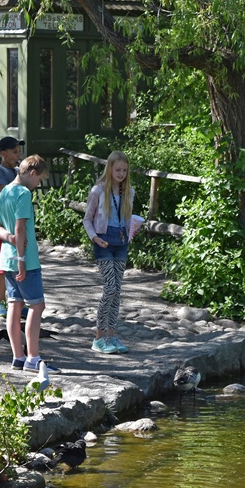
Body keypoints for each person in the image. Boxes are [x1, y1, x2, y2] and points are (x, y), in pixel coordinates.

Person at [0, 154, 60, 373]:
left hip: (7, 259)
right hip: (25, 261)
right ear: (32, 172)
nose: (37, 184)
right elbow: (20, 228)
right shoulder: (22, 193)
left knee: (14, 305)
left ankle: (17, 357)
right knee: (37, 306)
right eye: (39, 179)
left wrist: (9, 239)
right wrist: (21, 258)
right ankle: (33, 358)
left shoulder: (3, 193)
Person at [82, 150, 143, 354]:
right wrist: (94, 237)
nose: (121, 173)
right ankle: (98, 337)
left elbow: (126, 219)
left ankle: (112, 335)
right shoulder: (98, 191)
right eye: (118, 169)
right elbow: (87, 219)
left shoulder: (129, 192)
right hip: (103, 242)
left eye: (125, 170)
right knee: (109, 288)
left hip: (121, 242)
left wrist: (133, 228)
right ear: (109, 168)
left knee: (117, 291)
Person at [0, 136, 24, 317]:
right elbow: (6, 192)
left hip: (17, 224)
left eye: (19, 151)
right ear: (3, 153)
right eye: (14, 152)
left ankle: (18, 301)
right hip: (2, 225)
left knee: (20, 263)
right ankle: (0, 300)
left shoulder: (19, 170)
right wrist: (21, 177)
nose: (18, 155)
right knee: (3, 265)